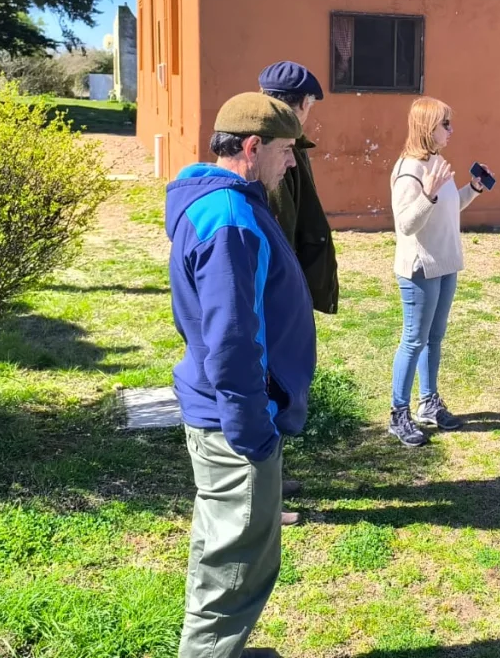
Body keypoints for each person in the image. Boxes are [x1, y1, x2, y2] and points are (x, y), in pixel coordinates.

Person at [165, 93, 317, 658]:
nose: (293, 162)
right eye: (286, 150)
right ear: (252, 148)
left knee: (220, 549)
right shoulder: (230, 218)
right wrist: (253, 432)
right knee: (235, 570)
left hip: (220, 414)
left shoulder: (214, 202)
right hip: (236, 425)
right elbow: (232, 341)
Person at [258, 61, 337, 528]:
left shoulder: (283, 142)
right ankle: (264, 498)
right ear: (303, 103)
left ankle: (273, 476)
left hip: (286, 288)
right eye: (309, 105)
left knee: (278, 385)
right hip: (276, 293)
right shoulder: (273, 148)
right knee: (270, 387)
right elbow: (280, 225)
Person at [387, 97, 493, 447]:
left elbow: (448, 208)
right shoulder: (409, 170)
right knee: (414, 339)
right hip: (421, 268)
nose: (451, 130)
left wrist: (472, 189)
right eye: (445, 124)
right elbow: (406, 224)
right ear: (426, 128)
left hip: (446, 264)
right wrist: (428, 195)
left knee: (435, 338)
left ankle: (428, 403)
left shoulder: (436, 162)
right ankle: (398, 413)